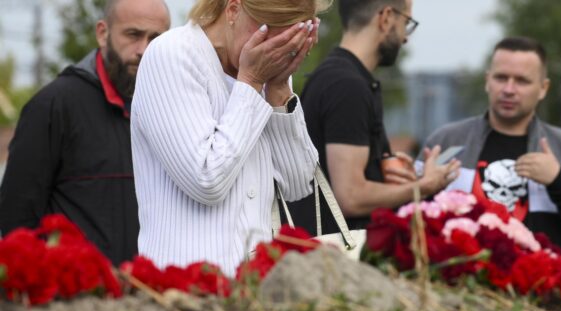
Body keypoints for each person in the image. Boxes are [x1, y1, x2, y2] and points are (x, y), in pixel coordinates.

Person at [131, 0, 329, 274]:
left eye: (288, 39)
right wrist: (251, 82)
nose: (274, 48)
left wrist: (279, 88)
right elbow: (206, 180)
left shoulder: (264, 69)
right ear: (233, 9)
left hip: (252, 292)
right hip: (185, 292)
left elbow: (298, 185)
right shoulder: (172, 55)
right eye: (267, 30)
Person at [0, 0, 170, 265]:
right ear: (102, 33)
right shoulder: (53, 106)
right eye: (133, 34)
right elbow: (17, 220)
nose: (143, 49)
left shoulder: (172, 111)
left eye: (156, 39)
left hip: (154, 298)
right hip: (77, 300)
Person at [424, 36, 561, 256]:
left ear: (543, 88)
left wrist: (558, 181)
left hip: (541, 286)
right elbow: (407, 218)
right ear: (487, 81)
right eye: (501, 78)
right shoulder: (446, 142)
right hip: (458, 284)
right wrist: (423, 189)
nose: (509, 89)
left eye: (522, 81)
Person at [288, 0, 460, 234]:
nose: (405, 37)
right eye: (406, 23)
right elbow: (351, 196)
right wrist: (424, 186)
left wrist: (383, 171)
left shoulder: (340, 78)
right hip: (335, 258)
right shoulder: (347, 86)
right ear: (386, 17)